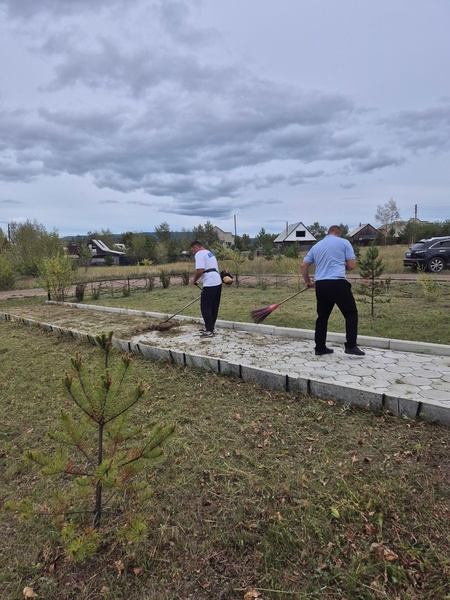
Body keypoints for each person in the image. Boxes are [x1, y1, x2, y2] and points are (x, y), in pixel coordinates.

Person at [300, 225, 365, 356]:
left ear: (328, 233)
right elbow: (351, 265)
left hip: (321, 285)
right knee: (351, 313)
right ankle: (351, 346)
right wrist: (342, 264)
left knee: (322, 317)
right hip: (338, 283)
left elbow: (304, 265)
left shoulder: (317, 246)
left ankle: (320, 347)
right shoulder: (344, 242)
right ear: (338, 234)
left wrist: (308, 282)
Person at [190, 240, 222, 338]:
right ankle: (211, 328)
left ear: (196, 248)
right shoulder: (209, 253)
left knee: (205, 307)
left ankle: (209, 330)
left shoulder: (199, 254)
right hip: (218, 281)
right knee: (214, 306)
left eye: (192, 250)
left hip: (210, 282)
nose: (193, 253)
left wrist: (194, 280)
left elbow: (200, 270)